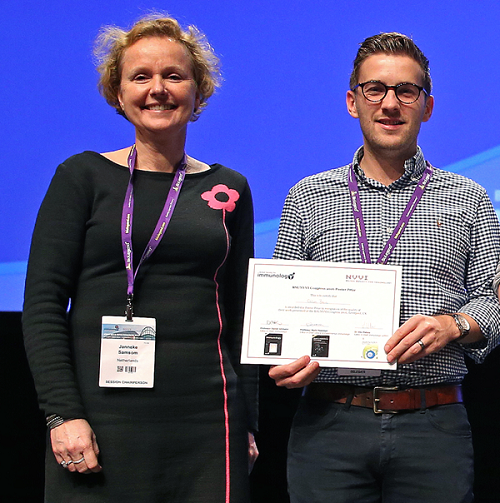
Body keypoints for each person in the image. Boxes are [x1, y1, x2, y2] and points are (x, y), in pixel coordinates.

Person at [22, 14, 258, 503]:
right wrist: (62, 414)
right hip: (99, 421)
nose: (158, 89)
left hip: (208, 426)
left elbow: (242, 316)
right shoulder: (81, 177)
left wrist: (249, 424)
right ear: (118, 91)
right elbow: (43, 305)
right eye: (141, 76)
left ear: (198, 90)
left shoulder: (228, 188)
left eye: (174, 75)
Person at [269, 32, 500, 503]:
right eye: (375, 89)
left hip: (433, 425)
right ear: (353, 102)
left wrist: (455, 324)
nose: (390, 103)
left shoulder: (470, 198)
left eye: (405, 91)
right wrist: (282, 357)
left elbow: (494, 302)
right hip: (328, 424)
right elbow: (280, 310)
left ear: (427, 106)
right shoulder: (307, 196)